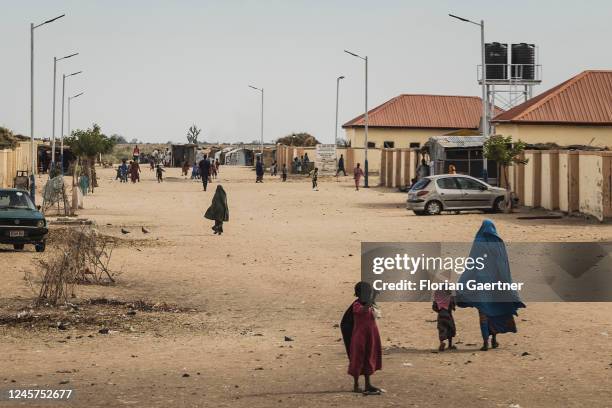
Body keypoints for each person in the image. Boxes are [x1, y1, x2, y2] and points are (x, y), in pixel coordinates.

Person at [456, 219, 526, 351]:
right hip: (495, 284)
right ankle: (494, 340)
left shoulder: (478, 242)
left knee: (483, 314)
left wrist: (462, 284)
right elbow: (503, 265)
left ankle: (485, 342)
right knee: (494, 313)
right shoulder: (498, 243)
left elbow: (471, 264)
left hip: (480, 285)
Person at [340, 282, 382, 395]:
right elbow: (363, 310)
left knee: (368, 358)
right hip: (360, 338)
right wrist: (372, 297)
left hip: (371, 336)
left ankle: (368, 384)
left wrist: (374, 297)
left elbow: (374, 312)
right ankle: (356, 385)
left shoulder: (370, 304)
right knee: (358, 360)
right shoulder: (356, 305)